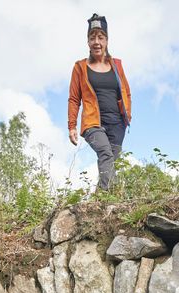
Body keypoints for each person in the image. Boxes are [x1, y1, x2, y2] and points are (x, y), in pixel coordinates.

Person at [67, 13, 132, 190]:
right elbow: (74, 98)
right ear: (88, 42)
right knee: (105, 154)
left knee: (110, 164)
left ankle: (99, 200)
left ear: (107, 41)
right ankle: (106, 200)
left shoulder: (117, 65)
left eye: (100, 37)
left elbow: (126, 92)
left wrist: (127, 117)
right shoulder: (80, 67)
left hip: (117, 124)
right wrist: (72, 125)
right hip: (93, 123)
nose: (96, 41)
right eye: (92, 37)